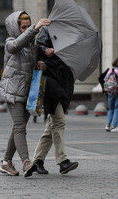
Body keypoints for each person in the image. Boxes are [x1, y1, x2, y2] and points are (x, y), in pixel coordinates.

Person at [0, 11, 50, 177]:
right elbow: (15, 46)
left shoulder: (31, 46)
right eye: (24, 27)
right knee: (20, 127)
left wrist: (41, 65)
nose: (26, 29)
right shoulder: (10, 42)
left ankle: (6, 162)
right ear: (16, 28)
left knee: (18, 128)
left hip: (28, 92)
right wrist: (35, 28)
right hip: (13, 91)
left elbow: (31, 66)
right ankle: (26, 162)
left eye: (28, 26)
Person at [32, 26, 79, 176]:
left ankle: (37, 161)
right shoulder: (48, 30)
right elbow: (38, 47)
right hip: (51, 85)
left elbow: (66, 63)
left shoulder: (71, 36)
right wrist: (46, 51)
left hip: (63, 84)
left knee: (51, 127)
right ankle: (63, 161)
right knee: (59, 122)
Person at [103, 57, 118, 132]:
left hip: (110, 91)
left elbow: (105, 79)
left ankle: (107, 125)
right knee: (117, 109)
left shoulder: (110, 70)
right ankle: (114, 126)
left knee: (111, 109)